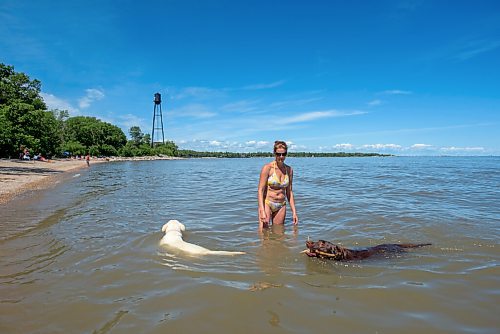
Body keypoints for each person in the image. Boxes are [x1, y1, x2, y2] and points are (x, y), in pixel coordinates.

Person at [258, 140, 298, 230]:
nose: (281, 157)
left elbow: (289, 192)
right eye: (278, 154)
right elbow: (260, 190)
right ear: (274, 153)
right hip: (267, 203)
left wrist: (294, 212)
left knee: (279, 235)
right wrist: (262, 210)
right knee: (264, 234)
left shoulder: (289, 170)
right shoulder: (267, 168)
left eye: (283, 154)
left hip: (281, 205)